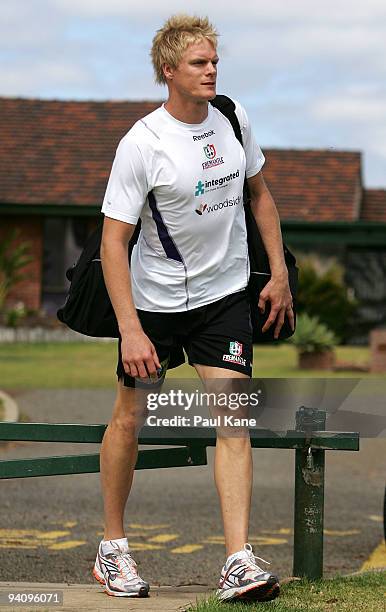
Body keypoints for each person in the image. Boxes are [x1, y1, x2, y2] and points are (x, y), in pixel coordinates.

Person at [92, 13, 294, 603]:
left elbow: (260, 195)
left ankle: (238, 560)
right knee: (130, 419)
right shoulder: (143, 143)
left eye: (214, 61)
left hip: (223, 299)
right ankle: (113, 549)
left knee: (233, 418)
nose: (212, 71)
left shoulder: (233, 118)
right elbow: (112, 241)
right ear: (169, 71)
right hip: (154, 302)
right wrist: (130, 331)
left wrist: (278, 274)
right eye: (199, 64)